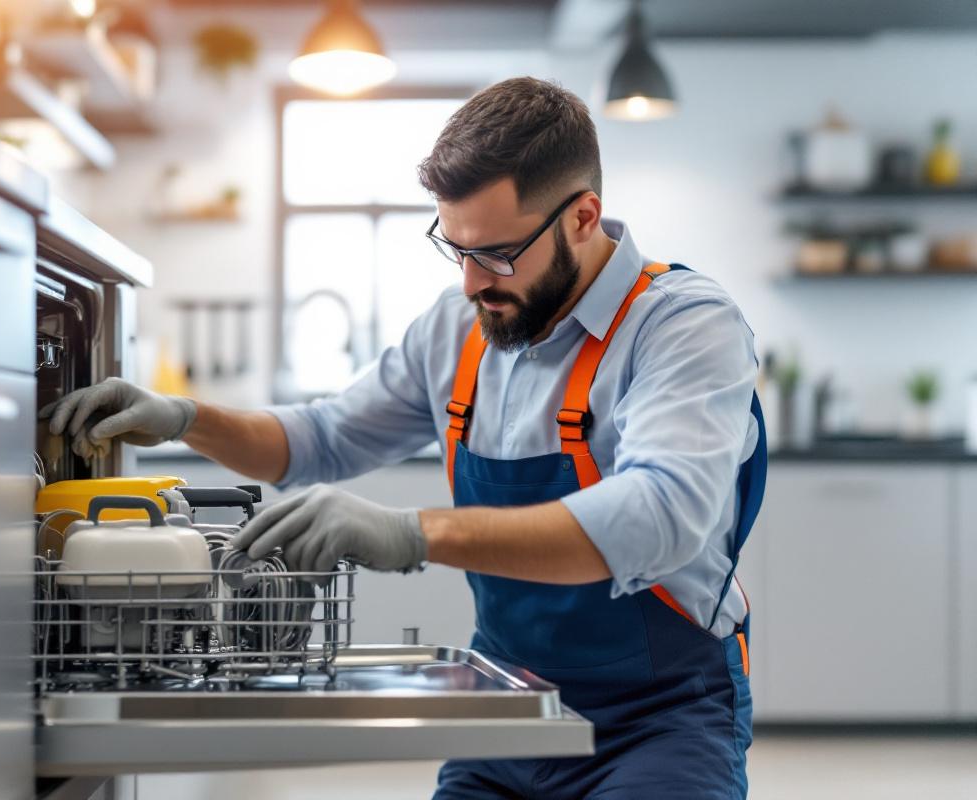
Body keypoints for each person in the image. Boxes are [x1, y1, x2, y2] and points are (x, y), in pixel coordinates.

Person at [42, 76, 766, 799]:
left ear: (583, 217)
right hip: (510, 707)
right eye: (457, 250)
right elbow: (319, 439)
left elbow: (660, 515)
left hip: (660, 720)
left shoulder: (683, 326)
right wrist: (186, 418)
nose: (472, 283)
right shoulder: (459, 333)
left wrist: (415, 533)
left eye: (500, 253)